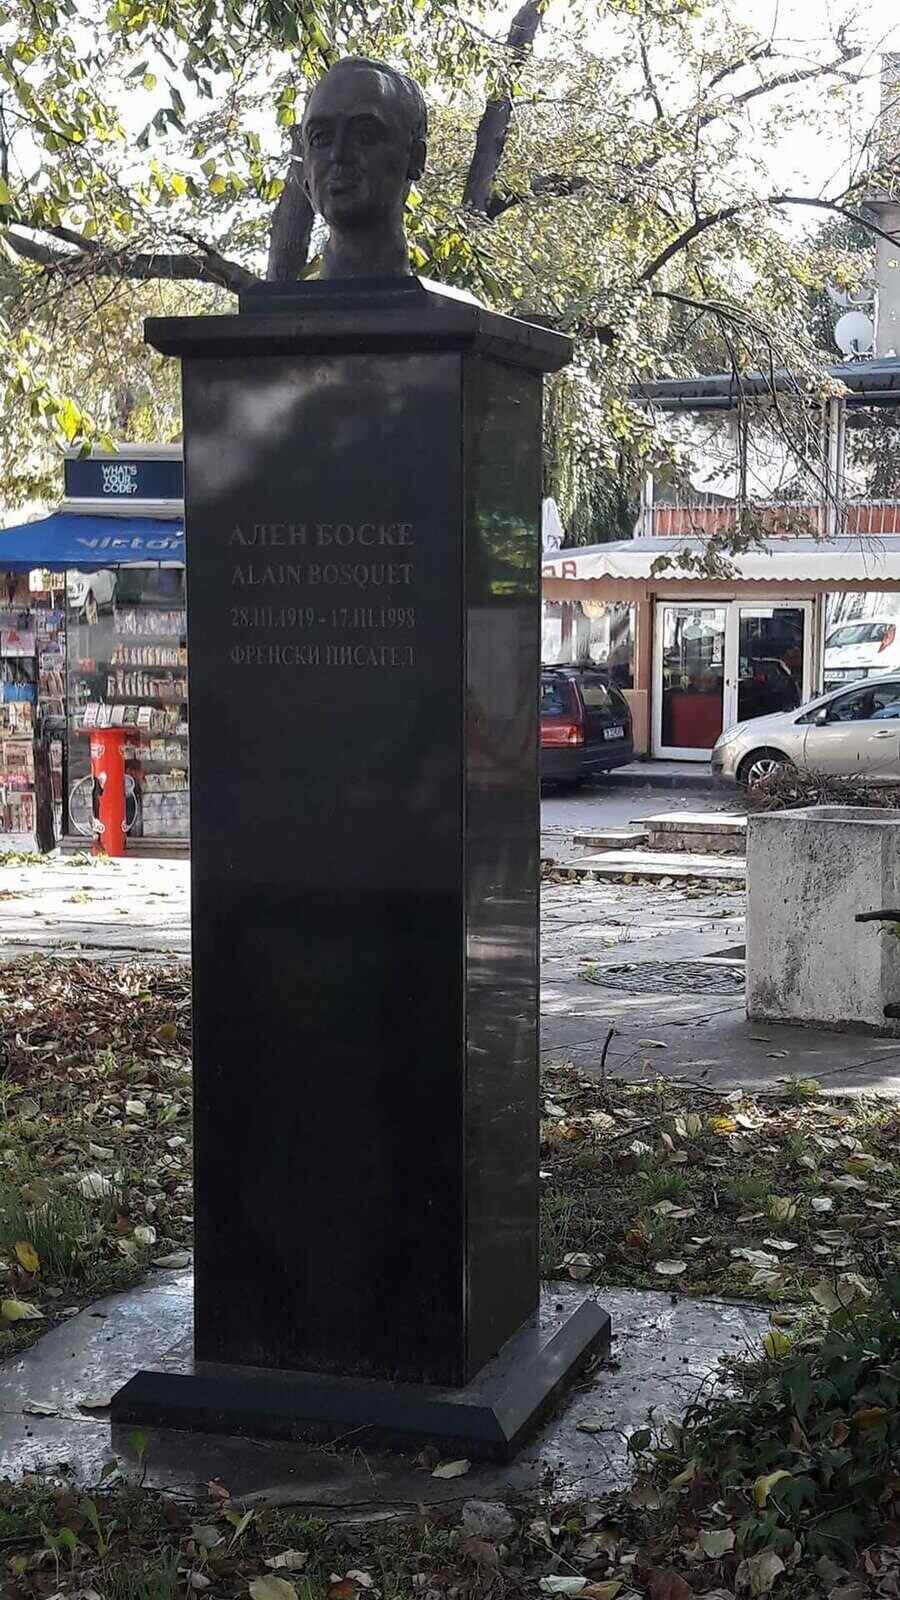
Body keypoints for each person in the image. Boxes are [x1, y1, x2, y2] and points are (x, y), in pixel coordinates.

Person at [301, 57, 428, 279]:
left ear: (415, 158)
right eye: (321, 138)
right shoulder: (273, 304)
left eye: (365, 135)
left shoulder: (442, 304)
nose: (338, 154)